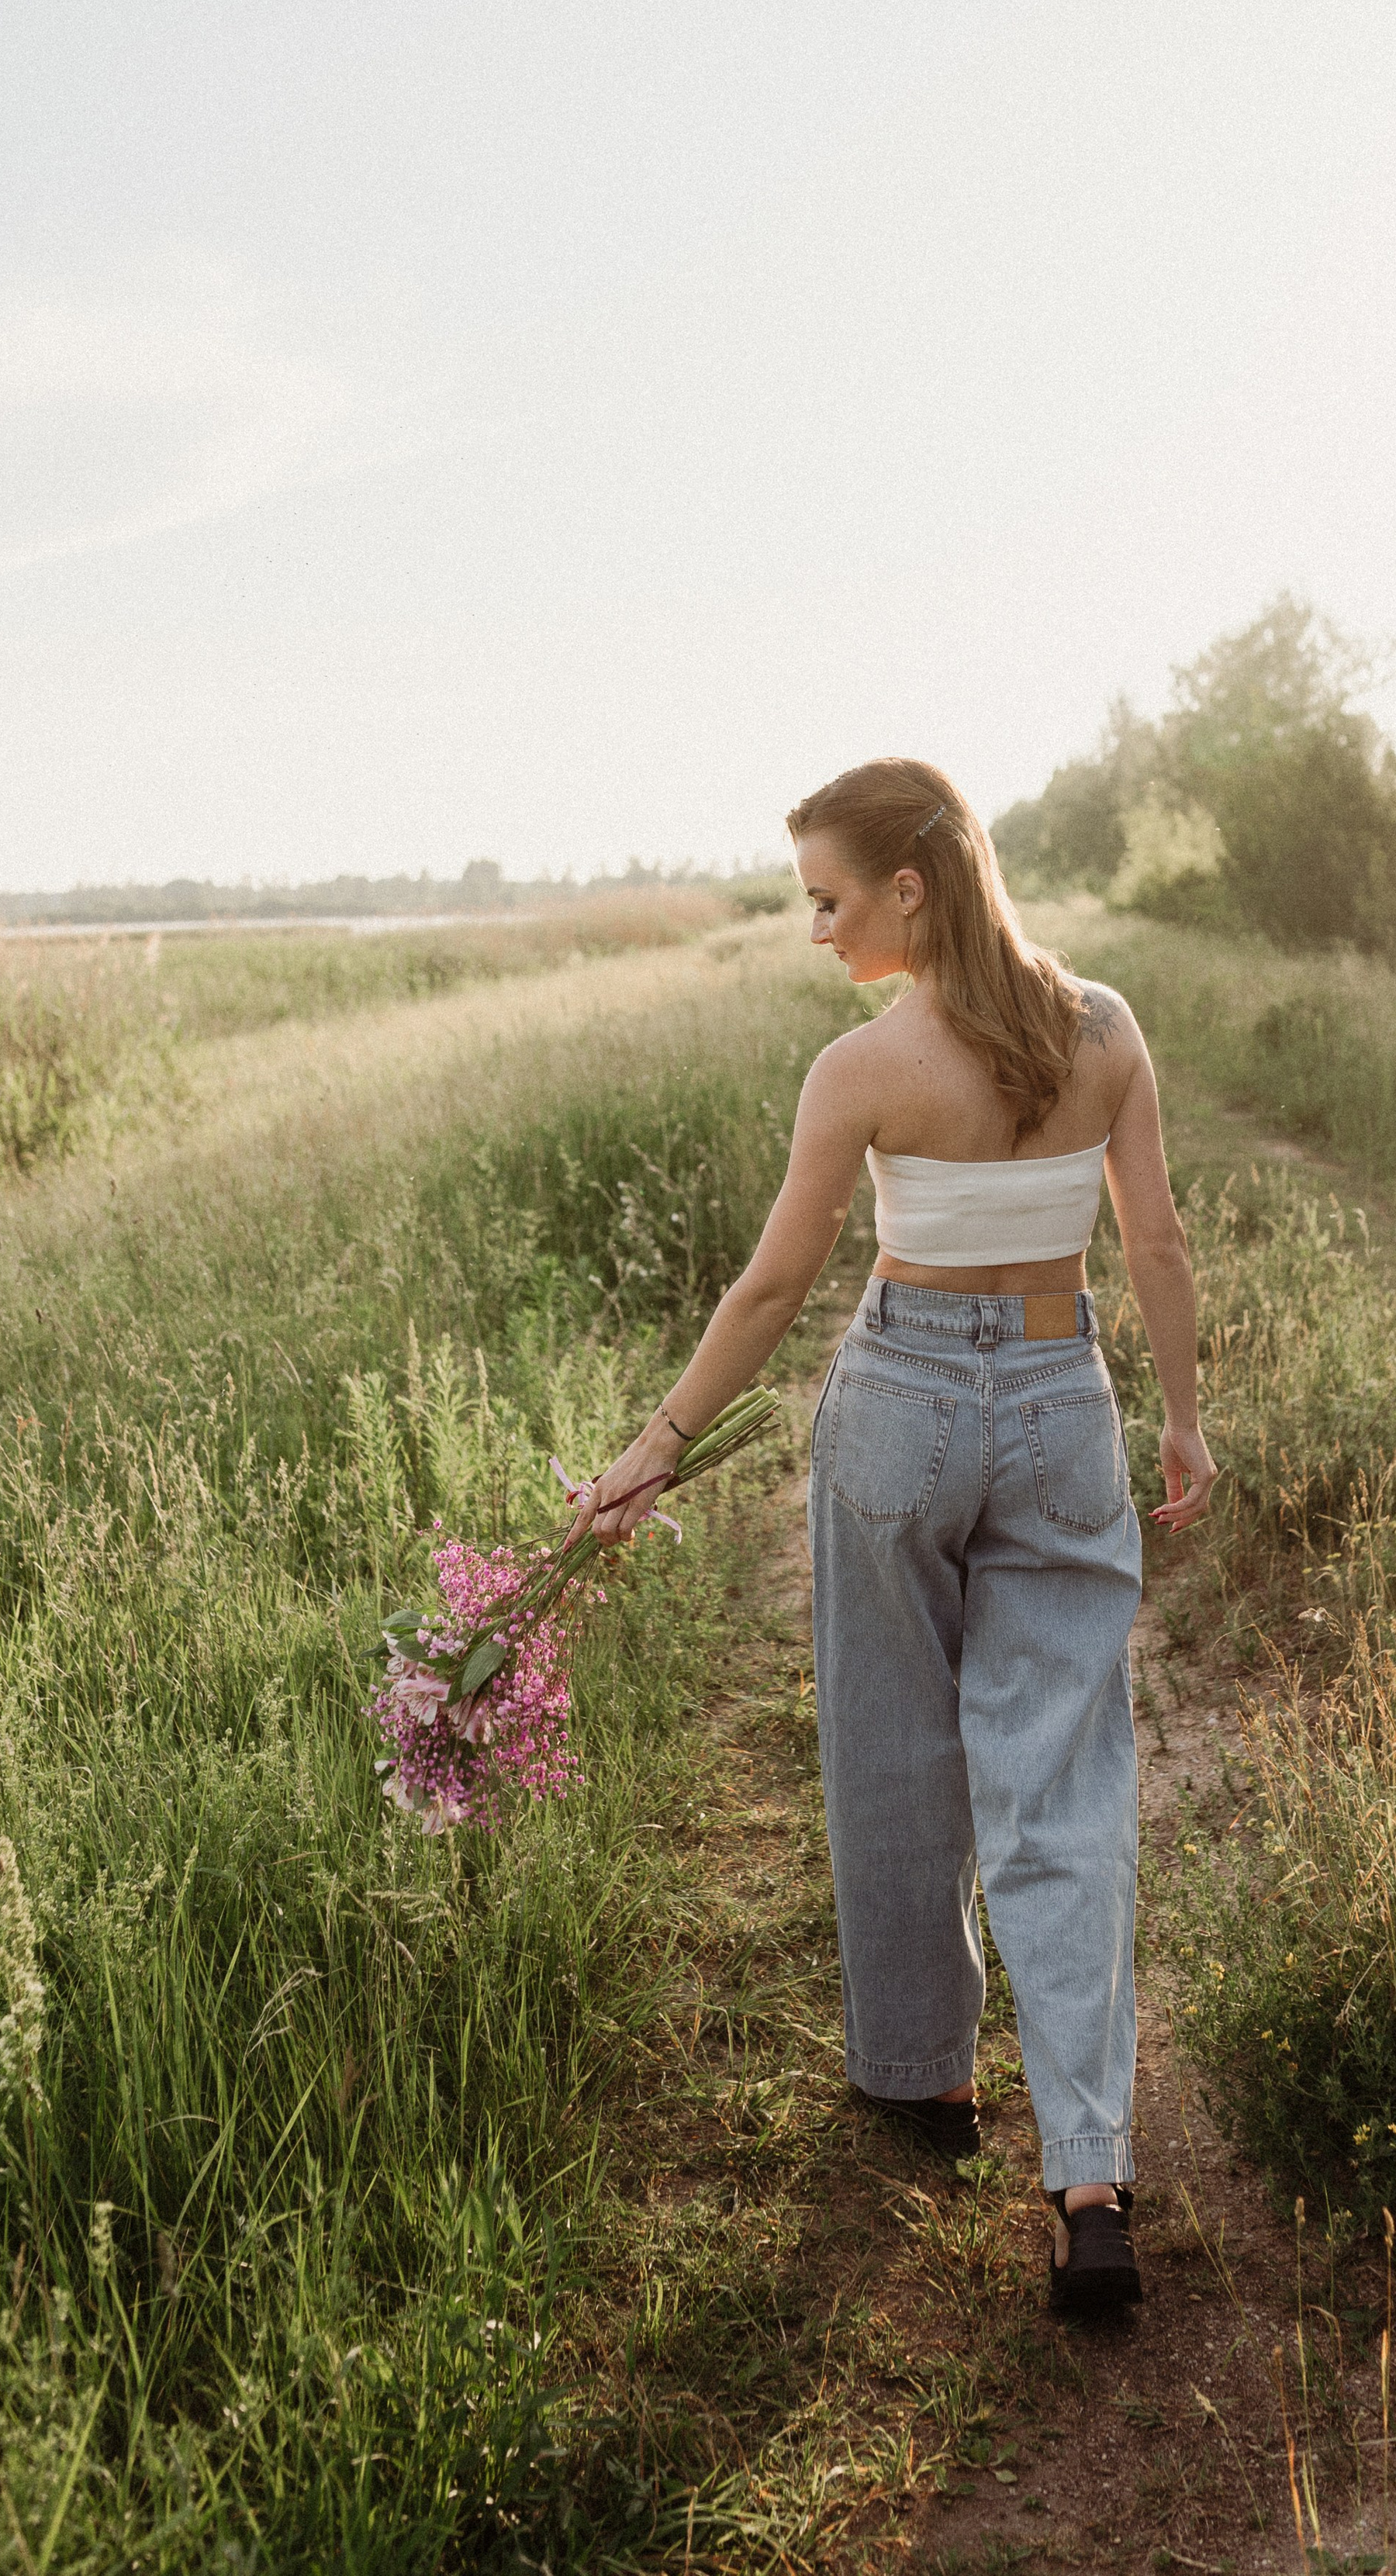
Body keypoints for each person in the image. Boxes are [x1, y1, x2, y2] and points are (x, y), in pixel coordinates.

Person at [566, 757, 1215, 2317]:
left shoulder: (862, 1067)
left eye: (826, 896)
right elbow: (1154, 1242)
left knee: (890, 1742)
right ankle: (1087, 2179)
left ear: (907, 889)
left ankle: (922, 2082)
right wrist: (1181, 1422)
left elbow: (770, 1290)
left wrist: (654, 1449)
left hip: (902, 1400)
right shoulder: (1104, 1028)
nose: (813, 926)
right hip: (1061, 1398)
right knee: (1059, 1781)